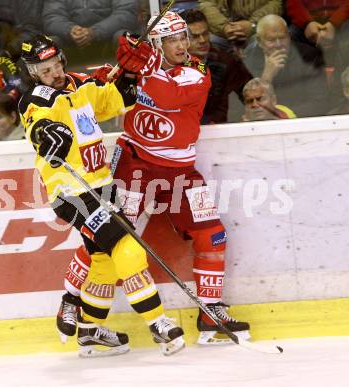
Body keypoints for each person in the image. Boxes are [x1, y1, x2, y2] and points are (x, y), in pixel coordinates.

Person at [58, 11, 251, 347]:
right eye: (171, 40)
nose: (181, 45)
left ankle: (210, 312)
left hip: (180, 170)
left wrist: (141, 69)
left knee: (212, 235)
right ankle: (73, 301)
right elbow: (99, 95)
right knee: (108, 236)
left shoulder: (197, 71)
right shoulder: (139, 69)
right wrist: (113, 74)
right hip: (134, 163)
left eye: (182, 38)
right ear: (157, 44)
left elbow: (168, 96)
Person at [18, 34, 185, 357]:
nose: (53, 73)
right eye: (44, 70)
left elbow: (119, 100)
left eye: (55, 65)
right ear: (33, 74)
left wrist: (129, 74)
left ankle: (90, 331)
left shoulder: (81, 84)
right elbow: (37, 126)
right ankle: (158, 322)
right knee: (128, 247)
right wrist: (47, 135)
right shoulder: (36, 100)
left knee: (104, 260)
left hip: (101, 184)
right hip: (71, 191)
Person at [243, 14, 331, 118]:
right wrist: (266, 78)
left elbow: (321, 102)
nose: (278, 44)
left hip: (300, 121)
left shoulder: (309, 56)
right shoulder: (248, 61)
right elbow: (246, 106)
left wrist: (283, 116)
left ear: (289, 35)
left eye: (282, 38)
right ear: (259, 41)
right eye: (271, 40)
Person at [180, 8, 252, 123]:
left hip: (220, 129)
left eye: (205, 34)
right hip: (184, 129)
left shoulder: (225, 61)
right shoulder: (171, 65)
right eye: (195, 36)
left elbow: (249, 91)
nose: (203, 40)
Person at [42, 0, 139, 67]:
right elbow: (51, 17)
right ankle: (53, 93)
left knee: (124, 38)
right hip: (71, 44)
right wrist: (70, 30)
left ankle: (131, 84)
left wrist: (95, 32)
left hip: (108, 41)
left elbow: (127, 13)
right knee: (49, 45)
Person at [198, 0, 283, 54]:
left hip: (259, 27)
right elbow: (206, 4)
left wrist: (252, 25)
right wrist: (224, 27)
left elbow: (275, 4)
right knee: (205, 42)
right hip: (222, 30)